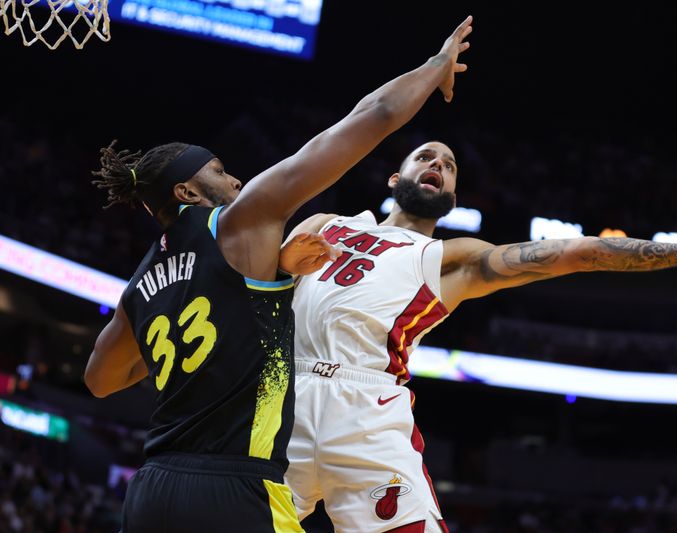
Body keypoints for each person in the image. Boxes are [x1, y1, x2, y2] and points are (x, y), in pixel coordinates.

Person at [83, 15, 473, 532]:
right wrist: (435, 65)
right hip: (237, 485)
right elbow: (374, 115)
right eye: (219, 171)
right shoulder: (241, 224)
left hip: (152, 485)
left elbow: (99, 380)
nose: (236, 178)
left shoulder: (142, 283)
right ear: (187, 193)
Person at [284, 140, 677, 532]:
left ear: (453, 196)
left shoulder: (452, 259)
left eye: (450, 164)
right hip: (283, 396)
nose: (437, 163)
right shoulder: (326, 225)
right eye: (425, 156)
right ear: (397, 177)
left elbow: (578, 253)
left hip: (369, 410)